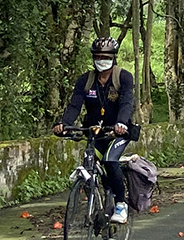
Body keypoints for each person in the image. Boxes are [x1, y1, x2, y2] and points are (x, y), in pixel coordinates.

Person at [54, 36, 139, 225]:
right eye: (98, 56)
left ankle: (120, 204)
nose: (102, 60)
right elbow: (74, 105)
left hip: (117, 132)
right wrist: (64, 124)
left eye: (106, 56)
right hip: (95, 133)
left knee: (109, 160)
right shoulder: (85, 80)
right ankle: (97, 201)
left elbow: (126, 103)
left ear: (113, 57)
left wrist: (121, 123)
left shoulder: (123, 77)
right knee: (87, 166)